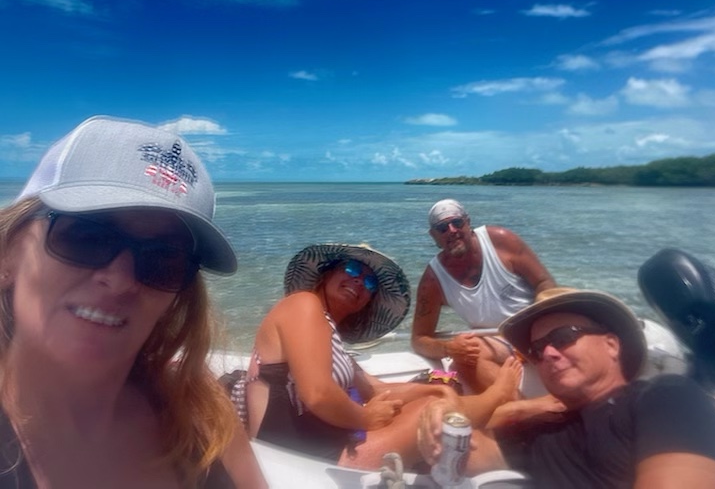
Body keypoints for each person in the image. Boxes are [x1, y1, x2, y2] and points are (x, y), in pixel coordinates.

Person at [0, 116, 266, 488]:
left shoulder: (199, 411)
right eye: (87, 237)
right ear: (9, 253)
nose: (121, 281)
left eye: (163, 259)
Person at [418, 287, 715, 488]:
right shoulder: (543, 434)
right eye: (537, 349)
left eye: (564, 336)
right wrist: (440, 414)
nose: (548, 353)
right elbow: (464, 449)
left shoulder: (666, 399)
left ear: (611, 344)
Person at [241, 243, 520, 470]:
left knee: (434, 400)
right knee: (432, 413)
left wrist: (434, 390)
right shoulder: (302, 304)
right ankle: (500, 401)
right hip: (296, 457)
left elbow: (375, 388)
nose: (359, 281)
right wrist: (366, 418)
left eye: (370, 282)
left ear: (368, 302)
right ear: (326, 274)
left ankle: (510, 442)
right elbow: (318, 395)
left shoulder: (327, 335)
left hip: (317, 443)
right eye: (351, 269)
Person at [411, 198, 556, 393]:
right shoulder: (433, 280)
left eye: (457, 223)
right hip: (498, 343)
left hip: (536, 327)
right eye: (442, 228)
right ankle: (522, 406)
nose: (452, 230)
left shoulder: (501, 241)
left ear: (468, 222)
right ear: (434, 236)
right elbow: (419, 339)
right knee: (466, 358)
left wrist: (543, 326)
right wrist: (449, 348)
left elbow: (544, 283)